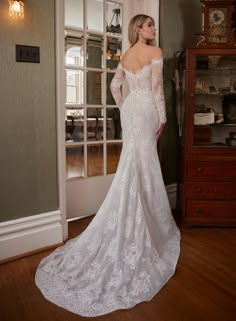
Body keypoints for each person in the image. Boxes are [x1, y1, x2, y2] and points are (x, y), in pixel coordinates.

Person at [35, 14, 181, 317]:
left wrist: (125, 106)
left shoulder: (126, 55)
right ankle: (149, 221)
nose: (154, 29)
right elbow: (156, 89)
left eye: (154, 25)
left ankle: (138, 215)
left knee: (133, 165)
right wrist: (164, 118)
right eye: (150, 25)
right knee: (144, 165)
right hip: (146, 111)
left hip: (130, 111)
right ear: (139, 30)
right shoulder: (154, 52)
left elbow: (115, 87)